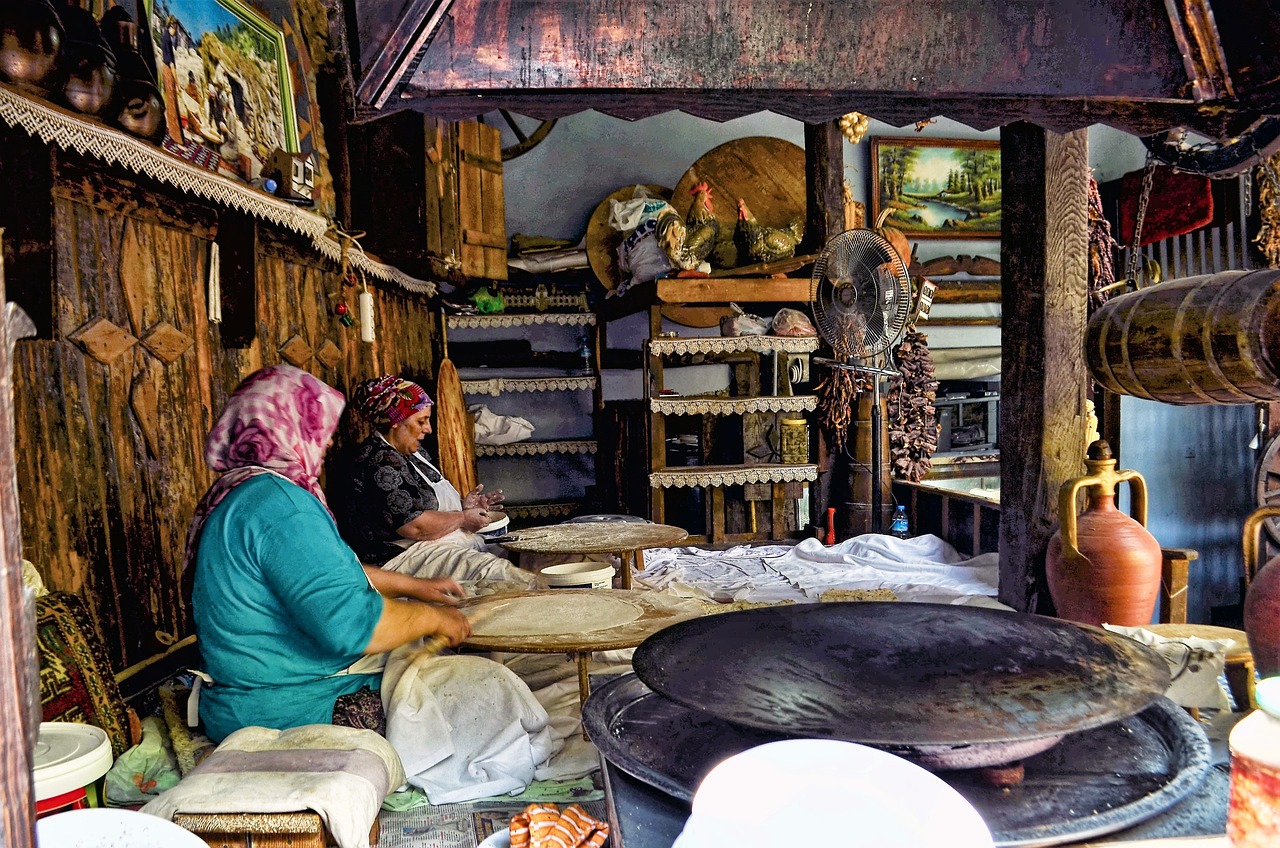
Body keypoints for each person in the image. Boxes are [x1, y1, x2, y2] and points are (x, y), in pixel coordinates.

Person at [187, 365, 554, 801]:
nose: (322, 444)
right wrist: (434, 619)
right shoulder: (281, 506)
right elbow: (352, 625)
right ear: (289, 427)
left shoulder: (239, 494)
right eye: (317, 429)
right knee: (493, 689)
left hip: (250, 692)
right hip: (292, 706)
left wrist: (417, 588)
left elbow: (330, 572)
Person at [335, 375, 507, 565]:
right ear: (395, 421)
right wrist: (463, 518)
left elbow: (424, 505)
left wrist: (462, 506)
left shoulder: (413, 453)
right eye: (421, 421)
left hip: (432, 548)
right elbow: (415, 527)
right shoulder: (380, 462)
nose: (429, 429)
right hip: (397, 560)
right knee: (494, 571)